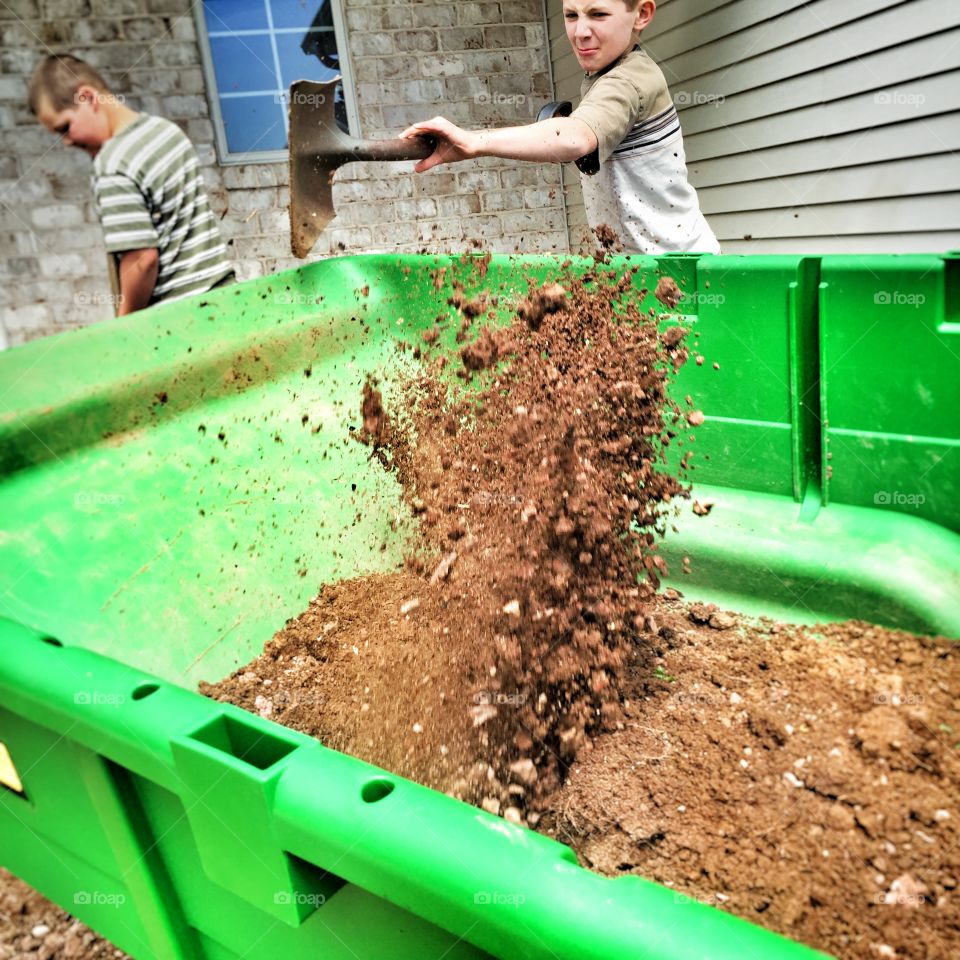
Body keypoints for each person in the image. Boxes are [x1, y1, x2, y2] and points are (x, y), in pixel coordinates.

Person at [401, 0, 719, 255]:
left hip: (681, 272)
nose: (580, 32)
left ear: (642, 14)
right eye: (571, 15)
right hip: (638, 270)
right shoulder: (603, 76)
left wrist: (473, 142)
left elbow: (576, 138)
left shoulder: (629, 80)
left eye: (598, 14)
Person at [28, 55, 234, 316]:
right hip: (227, 296)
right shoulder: (166, 131)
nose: (66, 142)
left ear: (88, 98)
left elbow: (142, 260)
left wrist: (124, 324)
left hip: (181, 319)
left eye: (65, 127)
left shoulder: (112, 165)